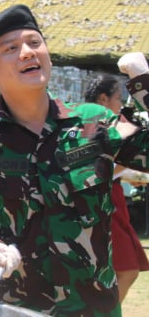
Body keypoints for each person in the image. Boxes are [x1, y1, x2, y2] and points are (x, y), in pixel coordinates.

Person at [0, 3, 149, 315]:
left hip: (96, 309)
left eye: (35, 43)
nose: (27, 52)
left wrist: (143, 82)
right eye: (11, 48)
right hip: (17, 309)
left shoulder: (95, 124)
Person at [84, 74, 149, 304]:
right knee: (126, 269)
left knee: (121, 270)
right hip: (100, 204)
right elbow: (101, 168)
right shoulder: (92, 124)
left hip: (113, 201)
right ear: (103, 99)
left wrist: (135, 172)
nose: (121, 105)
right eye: (118, 98)